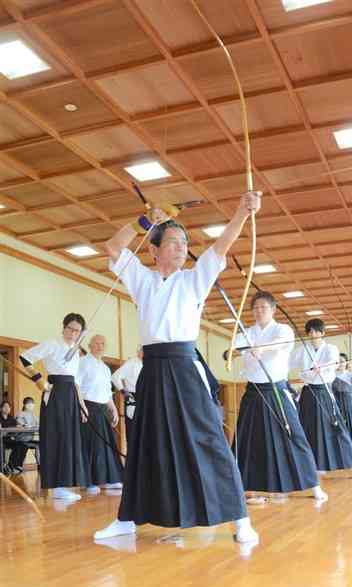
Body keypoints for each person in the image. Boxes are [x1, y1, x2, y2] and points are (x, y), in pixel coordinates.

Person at [94, 192, 262, 545]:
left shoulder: (194, 279)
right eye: (171, 242)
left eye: (184, 243)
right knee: (145, 444)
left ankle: (240, 520)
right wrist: (145, 221)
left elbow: (221, 245)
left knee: (210, 439)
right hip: (153, 370)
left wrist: (241, 214)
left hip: (185, 367)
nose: (181, 248)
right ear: (153, 251)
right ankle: (127, 519)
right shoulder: (142, 278)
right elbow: (111, 246)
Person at [231, 291, 327, 504]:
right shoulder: (248, 332)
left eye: (263, 307)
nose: (258, 311)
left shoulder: (282, 329)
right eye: (255, 308)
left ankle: (314, 485)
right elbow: (232, 349)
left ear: (273, 310)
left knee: (294, 436)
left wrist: (260, 349)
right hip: (253, 392)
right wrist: (237, 351)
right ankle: (245, 488)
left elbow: (281, 344)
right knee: (246, 440)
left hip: (276, 390)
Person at [20, 313, 88, 500]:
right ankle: (56, 487)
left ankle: (65, 485)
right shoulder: (52, 343)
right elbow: (25, 358)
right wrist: (38, 379)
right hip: (55, 391)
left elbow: (75, 380)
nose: (73, 333)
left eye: (77, 331)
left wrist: (82, 404)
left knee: (69, 437)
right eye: (70, 329)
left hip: (71, 393)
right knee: (55, 435)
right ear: (63, 327)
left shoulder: (75, 349)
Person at [289, 319, 352, 483]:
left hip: (324, 391)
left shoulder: (331, 348)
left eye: (316, 331)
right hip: (309, 393)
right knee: (309, 430)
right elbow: (287, 364)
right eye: (310, 332)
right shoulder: (302, 350)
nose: (312, 335)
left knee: (338, 429)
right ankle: (314, 467)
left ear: (322, 333)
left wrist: (318, 370)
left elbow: (332, 364)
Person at [77, 335, 124, 495]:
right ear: (89, 345)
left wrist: (114, 409)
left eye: (103, 343)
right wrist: (82, 407)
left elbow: (107, 392)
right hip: (88, 406)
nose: (100, 346)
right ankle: (88, 482)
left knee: (105, 445)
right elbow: (76, 387)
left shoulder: (104, 367)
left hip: (102, 408)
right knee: (90, 445)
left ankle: (107, 480)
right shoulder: (83, 362)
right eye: (96, 343)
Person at [111, 346, 143, 445]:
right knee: (134, 432)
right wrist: (125, 393)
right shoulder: (132, 363)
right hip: (133, 398)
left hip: (146, 399)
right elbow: (115, 377)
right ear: (139, 352)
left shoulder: (149, 365)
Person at [6, 397, 39, 475]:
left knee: (35, 444)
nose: (31, 405)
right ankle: (14, 465)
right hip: (20, 438)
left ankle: (40, 465)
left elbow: (38, 424)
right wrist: (26, 425)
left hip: (29, 438)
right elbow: (20, 425)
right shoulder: (20, 414)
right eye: (29, 403)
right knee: (22, 445)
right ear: (25, 405)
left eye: (32, 403)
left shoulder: (33, 415)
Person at [1, 400, 18, 474]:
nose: (7, 408)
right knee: (1, 445)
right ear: (1, 408)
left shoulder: (12, 418)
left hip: (9, 439)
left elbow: (16, 427)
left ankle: (12, 465)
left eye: (9, 407)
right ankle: (3, 465)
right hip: (1, 439)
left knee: (22, 445)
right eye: (5, 407)